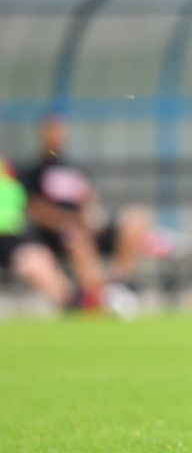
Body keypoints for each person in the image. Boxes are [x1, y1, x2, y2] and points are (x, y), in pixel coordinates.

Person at [19, 112, 153, 308]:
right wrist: (72, 221)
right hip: (57, 234)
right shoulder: (32, 172)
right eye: (51, 130)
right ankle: (97, 298)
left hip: (85, 227)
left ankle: (118, 283)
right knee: (75, 237)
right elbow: (37, 212)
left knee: (137, 219)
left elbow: (90, 201)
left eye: (60, 130)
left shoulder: (76, 169)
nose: (56, 135)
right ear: (42, 133)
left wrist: (91, 217)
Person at [0, 156, 80, 310]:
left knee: (43, 256)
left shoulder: (9, 178)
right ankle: (67, 302)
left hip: (15, 234)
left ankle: (72, 297)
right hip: (5, 239)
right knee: (33, 262)